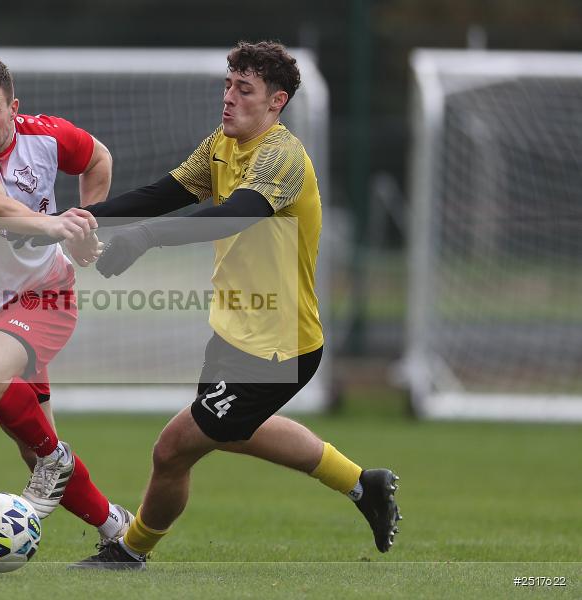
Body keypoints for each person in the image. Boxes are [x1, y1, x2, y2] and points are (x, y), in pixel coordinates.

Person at [62, 41, 401, 569]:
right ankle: (364, 485)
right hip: (235, 334)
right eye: (228, 85)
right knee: (235, 432)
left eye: (244, 90)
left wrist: (144, 240)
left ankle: (130, 551)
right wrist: (87, 220)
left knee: (173, 449)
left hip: (278, 347)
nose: (229, 98)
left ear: (276, 102)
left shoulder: (283, 157)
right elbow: (165, 191)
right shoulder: (222, 143)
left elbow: (234, 213)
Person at [0, 57, 131, 542]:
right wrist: (56, 225)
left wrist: (85, 222)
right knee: (34, 444)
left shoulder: (46, 134)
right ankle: (115, 529)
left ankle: (54, 458)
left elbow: (98, 157)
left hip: (45, 293)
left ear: (13, 108)